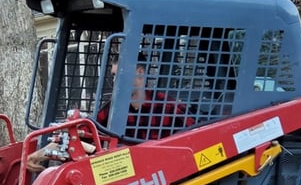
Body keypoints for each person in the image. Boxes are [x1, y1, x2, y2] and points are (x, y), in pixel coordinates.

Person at [26, 56, 194, 172]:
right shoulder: (110, 111)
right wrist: (38, 155)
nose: (114, 82)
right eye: (113, 76)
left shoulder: (170, 108)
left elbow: (195, 144)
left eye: (118, 75)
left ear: (140, 73)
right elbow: (75, 137)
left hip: (164, 178)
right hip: (123, 183)